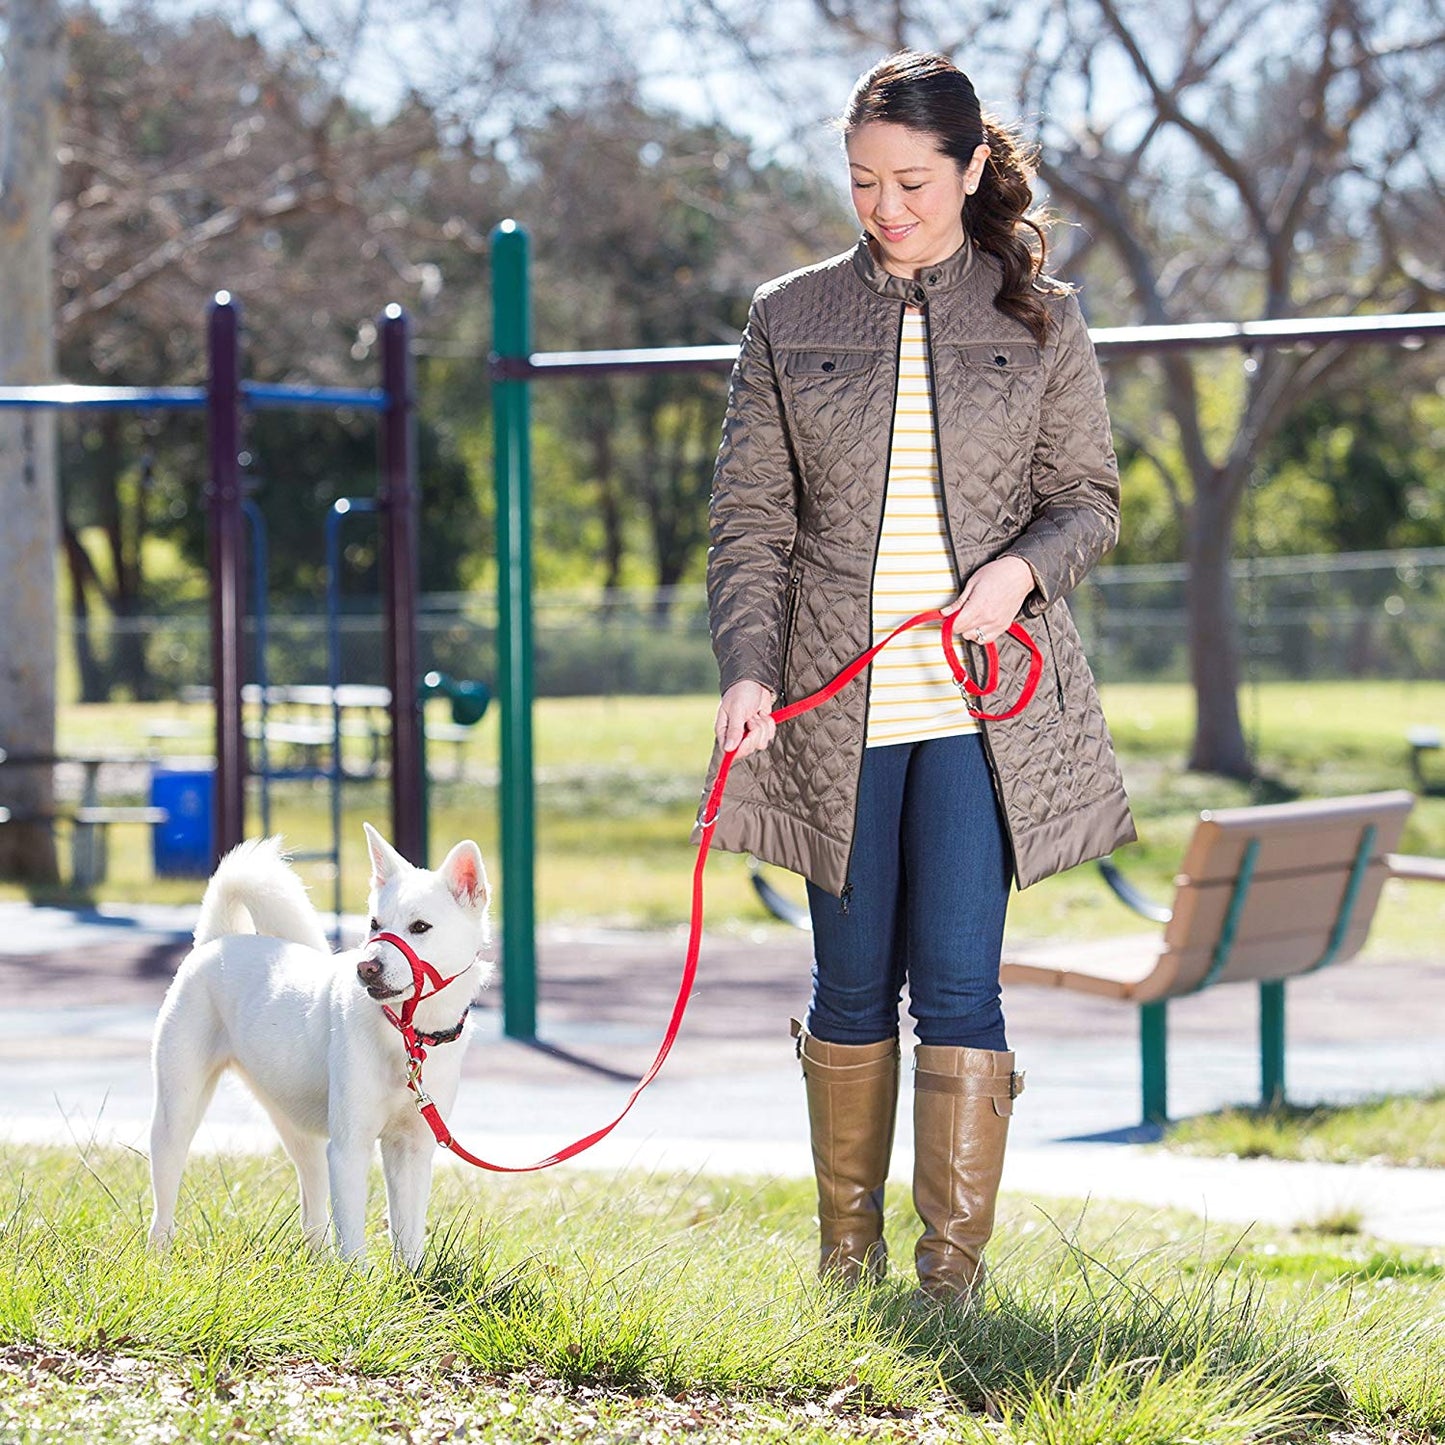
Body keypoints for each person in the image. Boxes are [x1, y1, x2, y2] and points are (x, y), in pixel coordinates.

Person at [701, 50, 1137, 1304]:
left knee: (956, 981)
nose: (885, 206)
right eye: (861, 181)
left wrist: (1016, 575)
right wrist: (744, 670)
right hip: (832, 709)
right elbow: (748, 526)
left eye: (910, 181)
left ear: (969, 170)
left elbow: (1087, 503)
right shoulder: (788, 316)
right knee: (846, 982)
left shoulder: (1037, 314)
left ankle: (949, 1280)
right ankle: (849, 1263)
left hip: (976, 709)